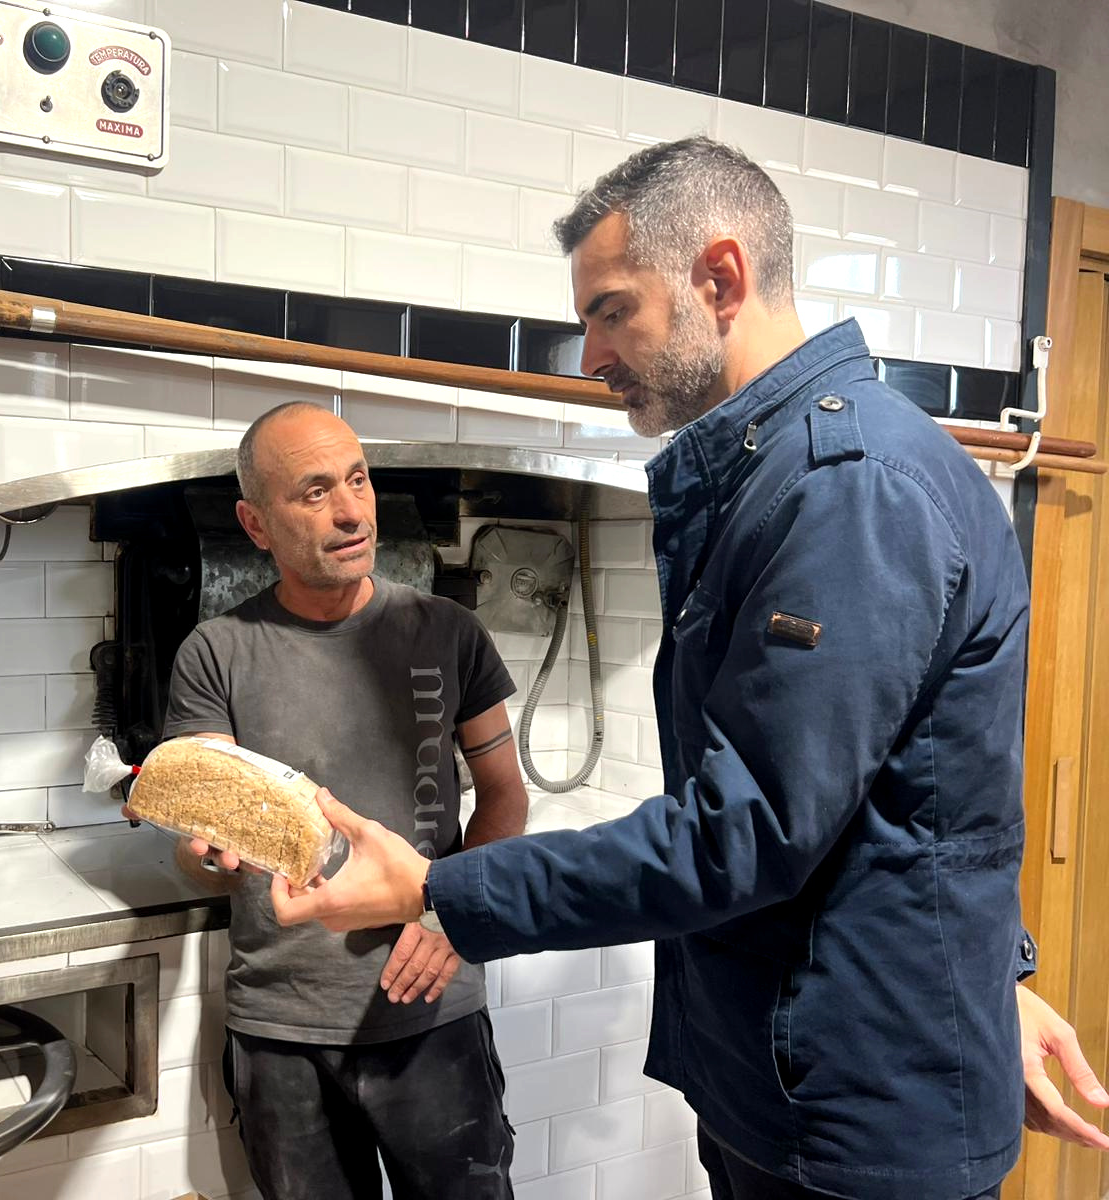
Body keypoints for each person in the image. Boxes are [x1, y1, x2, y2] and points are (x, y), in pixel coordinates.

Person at [269, 136, 1109, 1200]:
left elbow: (745, 831)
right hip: (794, 1073)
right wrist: (985, 977)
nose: (590, 356)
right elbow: (913, 786)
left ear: (718, 277)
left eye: (611, 310)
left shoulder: (847, 489)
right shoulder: (784, 475)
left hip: (852, 1109)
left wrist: (441, 886)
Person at [157, 400, 531, 1199]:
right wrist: (210, 849)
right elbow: (209, 833)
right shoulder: (216, 653)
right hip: (283, 1023)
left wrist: (455, 913)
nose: (352, 509)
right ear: (256, 525)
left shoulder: (449, 630)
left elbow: (503, 796)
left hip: (431, 1002)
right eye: (315, 491)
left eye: (358, 480)